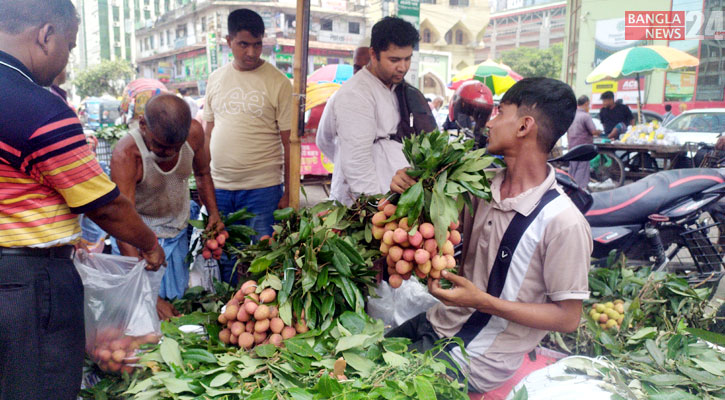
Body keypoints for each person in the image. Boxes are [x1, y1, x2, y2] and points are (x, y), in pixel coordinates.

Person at [0, 1, 165, 398]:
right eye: (70, 46)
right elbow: (105, 205)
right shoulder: (38, 108)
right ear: (45, 35)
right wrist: (149, 244)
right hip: (28, 287)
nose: (65, 59)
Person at [388, 77, 592, 394]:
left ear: (524, 126)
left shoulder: (563, 222)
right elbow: (411, 224)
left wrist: (483, 302)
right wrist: (405, 187)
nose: (490, 122)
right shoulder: (480, 186)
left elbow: (568, 318)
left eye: (500, 112)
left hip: (476, 358)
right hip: (438, 321)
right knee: (355, 360)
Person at [111, 94, 223, 319]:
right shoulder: (126, 155)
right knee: (138, 314)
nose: (170, 153)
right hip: (137, 242)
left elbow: (202, 173)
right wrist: (149, 295)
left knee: (175, 307)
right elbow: (122, 224)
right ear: (143, 124)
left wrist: (214, 214)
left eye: (176, 147)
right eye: (161, 147)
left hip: (176, 233)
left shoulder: (193, 134)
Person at [203, 8, 292, 284]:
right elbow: (207, 134)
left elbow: (290, 144)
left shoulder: (278, 82)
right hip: (220, 189)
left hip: (262, 190)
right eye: (244, 44)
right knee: (225, 259)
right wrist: (203, 185)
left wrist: (290, 191)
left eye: (257, 44)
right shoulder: (216, 79)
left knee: (260, 262)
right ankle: (228, 314)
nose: (252, 52)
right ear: (228, 40)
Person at [324, 16, 420, 206]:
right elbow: (357, 164)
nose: (403, 67)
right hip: (366, 206)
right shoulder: (355, 94)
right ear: (373, 54)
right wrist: (377, 210)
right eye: (394, 60)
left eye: (407, 59)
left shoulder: (395, 86)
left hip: (389, 197)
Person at [317, 45, 371, 163]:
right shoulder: (339, 97)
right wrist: (344, 164)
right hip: (346, 178)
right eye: (357, 68)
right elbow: (323, 140)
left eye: (366, 68)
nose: (360, 74)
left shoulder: (389, 98)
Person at [566, 95, 600, 189]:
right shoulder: (586, 116)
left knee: (573, 168)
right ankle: (579, 188)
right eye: (588, 105)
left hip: (572, 145)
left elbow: (568, 132)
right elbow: (593, 131)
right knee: (582, 169)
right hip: (583, 147)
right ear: (586, 104)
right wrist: (599, 132)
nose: (588, 107)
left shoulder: (572, 115)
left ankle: (570, 187)